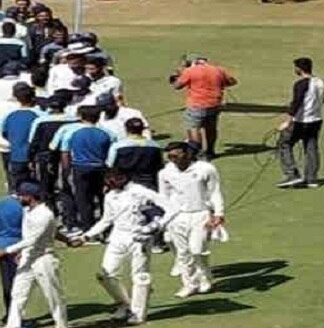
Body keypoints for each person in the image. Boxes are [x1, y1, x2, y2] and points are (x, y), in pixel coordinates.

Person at [76, 170, 177, 325]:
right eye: (108, 179)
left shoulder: (141, 191)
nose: (110, 182)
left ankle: (138, 314)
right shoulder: (110, 195)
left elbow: (171, 208)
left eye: (113, 179)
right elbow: (106, 220)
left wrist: (156, 226)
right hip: (117, 236)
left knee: (140, 275)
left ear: (124, 177)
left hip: (139, 236)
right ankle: (125, 304)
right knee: (106, 274)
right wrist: (86, 236)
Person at [0, 181, 69, 328]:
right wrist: (23, 253)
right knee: (18, 294)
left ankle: (61, 324)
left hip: (44, 259)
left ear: (29, 197)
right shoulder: (27, 210)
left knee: (53, 296)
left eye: (20, 196)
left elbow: (32, 239)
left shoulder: (44, 214)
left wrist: (5, 251)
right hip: (28, 258)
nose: (18, 198)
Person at [158, 142, 226, 298]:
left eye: (176, 155)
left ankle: (205, 278)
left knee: (197, 250)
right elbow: (164, 197)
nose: (173, 159)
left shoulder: (205, 169)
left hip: (200, 214)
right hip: (177, 216)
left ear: (187, 153)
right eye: (170, 156)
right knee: (182, 253)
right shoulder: (165, 173)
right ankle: (189, 284)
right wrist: (165, 220)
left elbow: (214, 192)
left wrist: (218, 213)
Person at [60, 105, 113, 233]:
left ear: (82, 117)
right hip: (100, 168)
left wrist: (66, 170)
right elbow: (111, 154)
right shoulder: (107, 133)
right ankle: (106, 229)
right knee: (103, 199)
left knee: (83, 199)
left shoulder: (72, 133)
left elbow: (65, 152)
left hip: (80, 168)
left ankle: (88, 229)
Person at [277, 56, 324, 188]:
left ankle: (291, 174)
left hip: (301, 120)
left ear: (299, 69)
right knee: (311, 148)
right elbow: (323, 100)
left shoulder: (300, 84)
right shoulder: (321, 82)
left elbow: (297, 103)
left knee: (284, 143)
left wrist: (287, 121)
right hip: (316, 120)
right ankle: (312, 179)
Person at [172, 55, 236, 159]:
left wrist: (180, 74)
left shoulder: (191, 71)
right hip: (214, 104)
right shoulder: (218, 70)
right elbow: (232, 82)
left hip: (196, 104)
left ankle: (198, 151)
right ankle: (210, 151)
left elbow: (177, 86)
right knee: (211, 129)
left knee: (194, 128)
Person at [0, 83, 43, 191]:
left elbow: (4, 133)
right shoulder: (41, 115)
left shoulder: (10, 115)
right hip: (36, 158)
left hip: (16, 157)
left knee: (18, 188)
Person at [0, 192, 24, 327]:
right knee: (20, 284)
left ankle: (9, 315)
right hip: (18, 245)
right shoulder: (24, 206)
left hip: (1, 245)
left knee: (7, 282)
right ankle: (16, 318)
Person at [107, 119, 163, 190]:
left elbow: (110, 165)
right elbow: (159, 166)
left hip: (125, 186)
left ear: (126, 129)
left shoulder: (117, 146)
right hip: (149, 185)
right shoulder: (155, 146)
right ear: (142, 129)